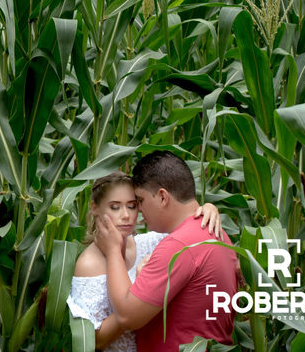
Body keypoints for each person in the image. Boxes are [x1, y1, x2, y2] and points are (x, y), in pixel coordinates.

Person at [94, 151, 239, 352]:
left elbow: (127, 317)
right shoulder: (218, 233)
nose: (140, 212)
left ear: (162, 197)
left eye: (141, 201)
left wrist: (112, 251)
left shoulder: (179, 246)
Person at [66, 171, 222, 351]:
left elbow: (188, 233)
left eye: (132, 206)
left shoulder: (151, 243)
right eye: (115, 207)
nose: (125, 215)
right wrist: (138, 293)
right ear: (95, 207)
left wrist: (207, 209)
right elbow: (95, 340)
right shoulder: (88, 265)